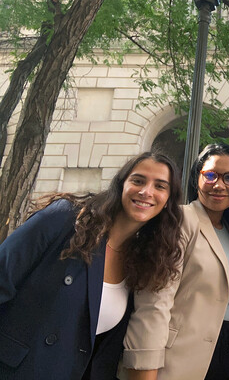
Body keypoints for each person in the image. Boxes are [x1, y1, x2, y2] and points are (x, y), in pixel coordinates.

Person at [0, 151, 183, 380]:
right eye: (138, 180)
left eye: (160, 186)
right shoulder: (65, 219)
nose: (146, 192)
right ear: (121, 184)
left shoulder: (144, 261)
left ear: (168, 200)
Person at [123, 143, 229, 380]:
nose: (219, 185)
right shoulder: (181, 220)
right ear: (196, 179)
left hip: (227, 351)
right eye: (210, 175)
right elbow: (154, 301)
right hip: (179, 356)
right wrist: (144, 368)